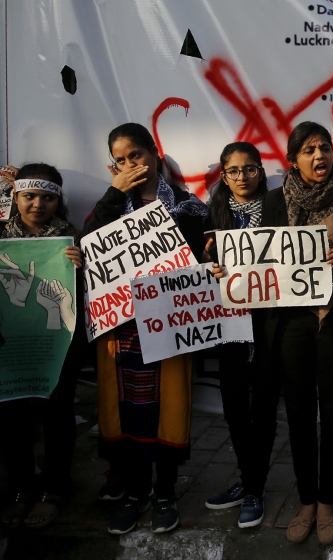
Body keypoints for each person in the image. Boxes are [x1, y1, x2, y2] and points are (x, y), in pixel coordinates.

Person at [82, 122, 210, 535]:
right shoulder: (108, 208)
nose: (130, 165)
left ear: (155, 153)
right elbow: (88, 245)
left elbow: (198, 268)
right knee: (129, 411)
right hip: (121, 331)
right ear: (111, 166)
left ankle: (165, 493)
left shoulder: (191, 209)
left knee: (166, 410)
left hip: (169, 327)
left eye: (135, 155)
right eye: (120, 160)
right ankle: (136, 492)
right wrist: (115, 191)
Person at [261, 121, 333, 545]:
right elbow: (259, 262)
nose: (319, 156)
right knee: (297, 412)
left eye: (324, 147)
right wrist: (228, 268)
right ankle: (306, 499)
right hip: (293, 322)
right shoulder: (274, 202)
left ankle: (328, 500)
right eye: (309, 150)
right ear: (293, 160)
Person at [0, 163, 84, 530]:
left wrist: (82, 266)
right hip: (11, 345)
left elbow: (88, 296)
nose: (38, 204)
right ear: (15, 197)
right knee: (13, 416)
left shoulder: (72, 239)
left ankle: (54, 488)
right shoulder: (2, 236)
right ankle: (20, 489)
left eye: (47, 197)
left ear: (58, 200)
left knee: (57, 415)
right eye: (29, 196)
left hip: (56, 346)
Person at [203, 143, 279, 529]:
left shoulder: (278, 209)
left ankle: (254, 488)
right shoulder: (208, 214)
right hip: (228, 324)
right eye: (234, 171)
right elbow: (190, 267)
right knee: (234, 407)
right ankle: (248, 481)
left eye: (250, 169)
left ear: (261, 172)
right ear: (223, 174)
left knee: (263, 409)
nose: (242, 177)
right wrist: (208, 268)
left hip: (267, 325)